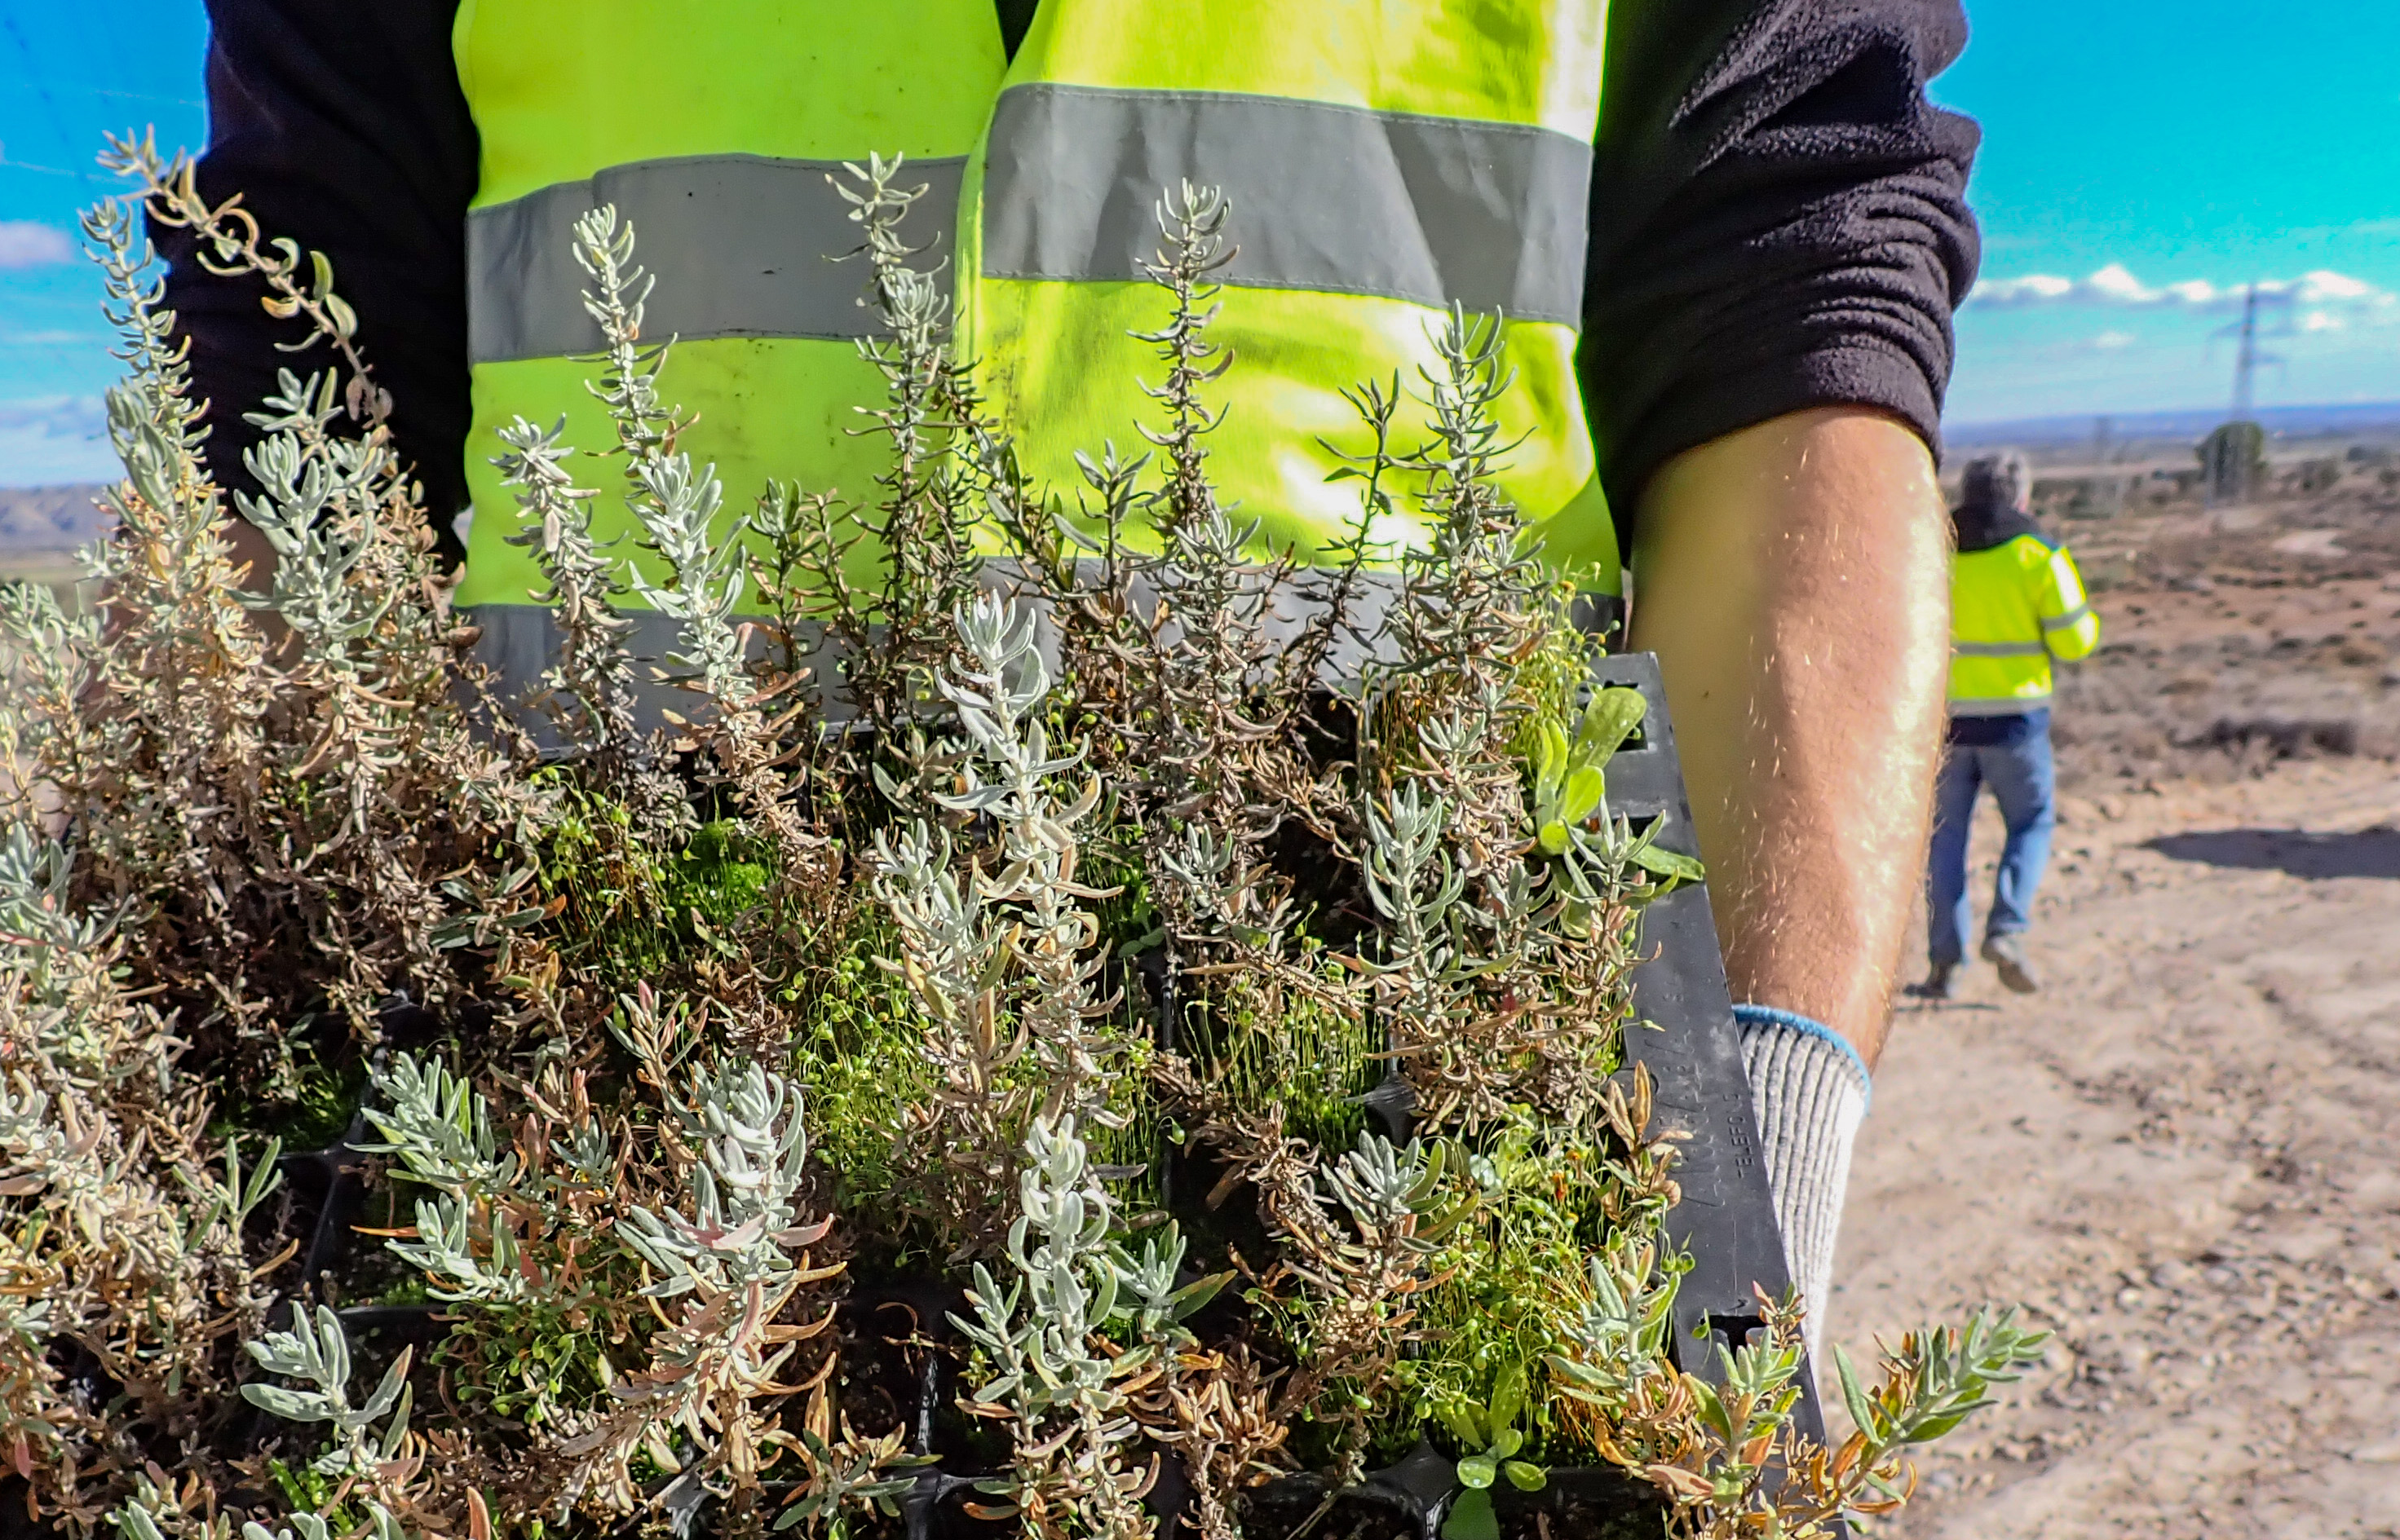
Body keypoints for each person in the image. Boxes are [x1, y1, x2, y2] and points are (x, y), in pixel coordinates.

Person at [158, 0, 1979, 1345]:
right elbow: (294, 376)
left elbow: (1792, 278)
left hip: (1433, 1132)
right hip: (627, 1138)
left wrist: (1751, 1142)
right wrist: (229, 1102)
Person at [1913, 452, 2098, 999]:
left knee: (1945, 842)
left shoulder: (1934, 552)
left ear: (1966, 495)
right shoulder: (2038, 556)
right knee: (2033, 822)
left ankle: (1945, 964)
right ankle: (2008, 931)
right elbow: (2077, 640)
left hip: (1947, 726)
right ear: (2021, 497)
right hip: (2016, 726)